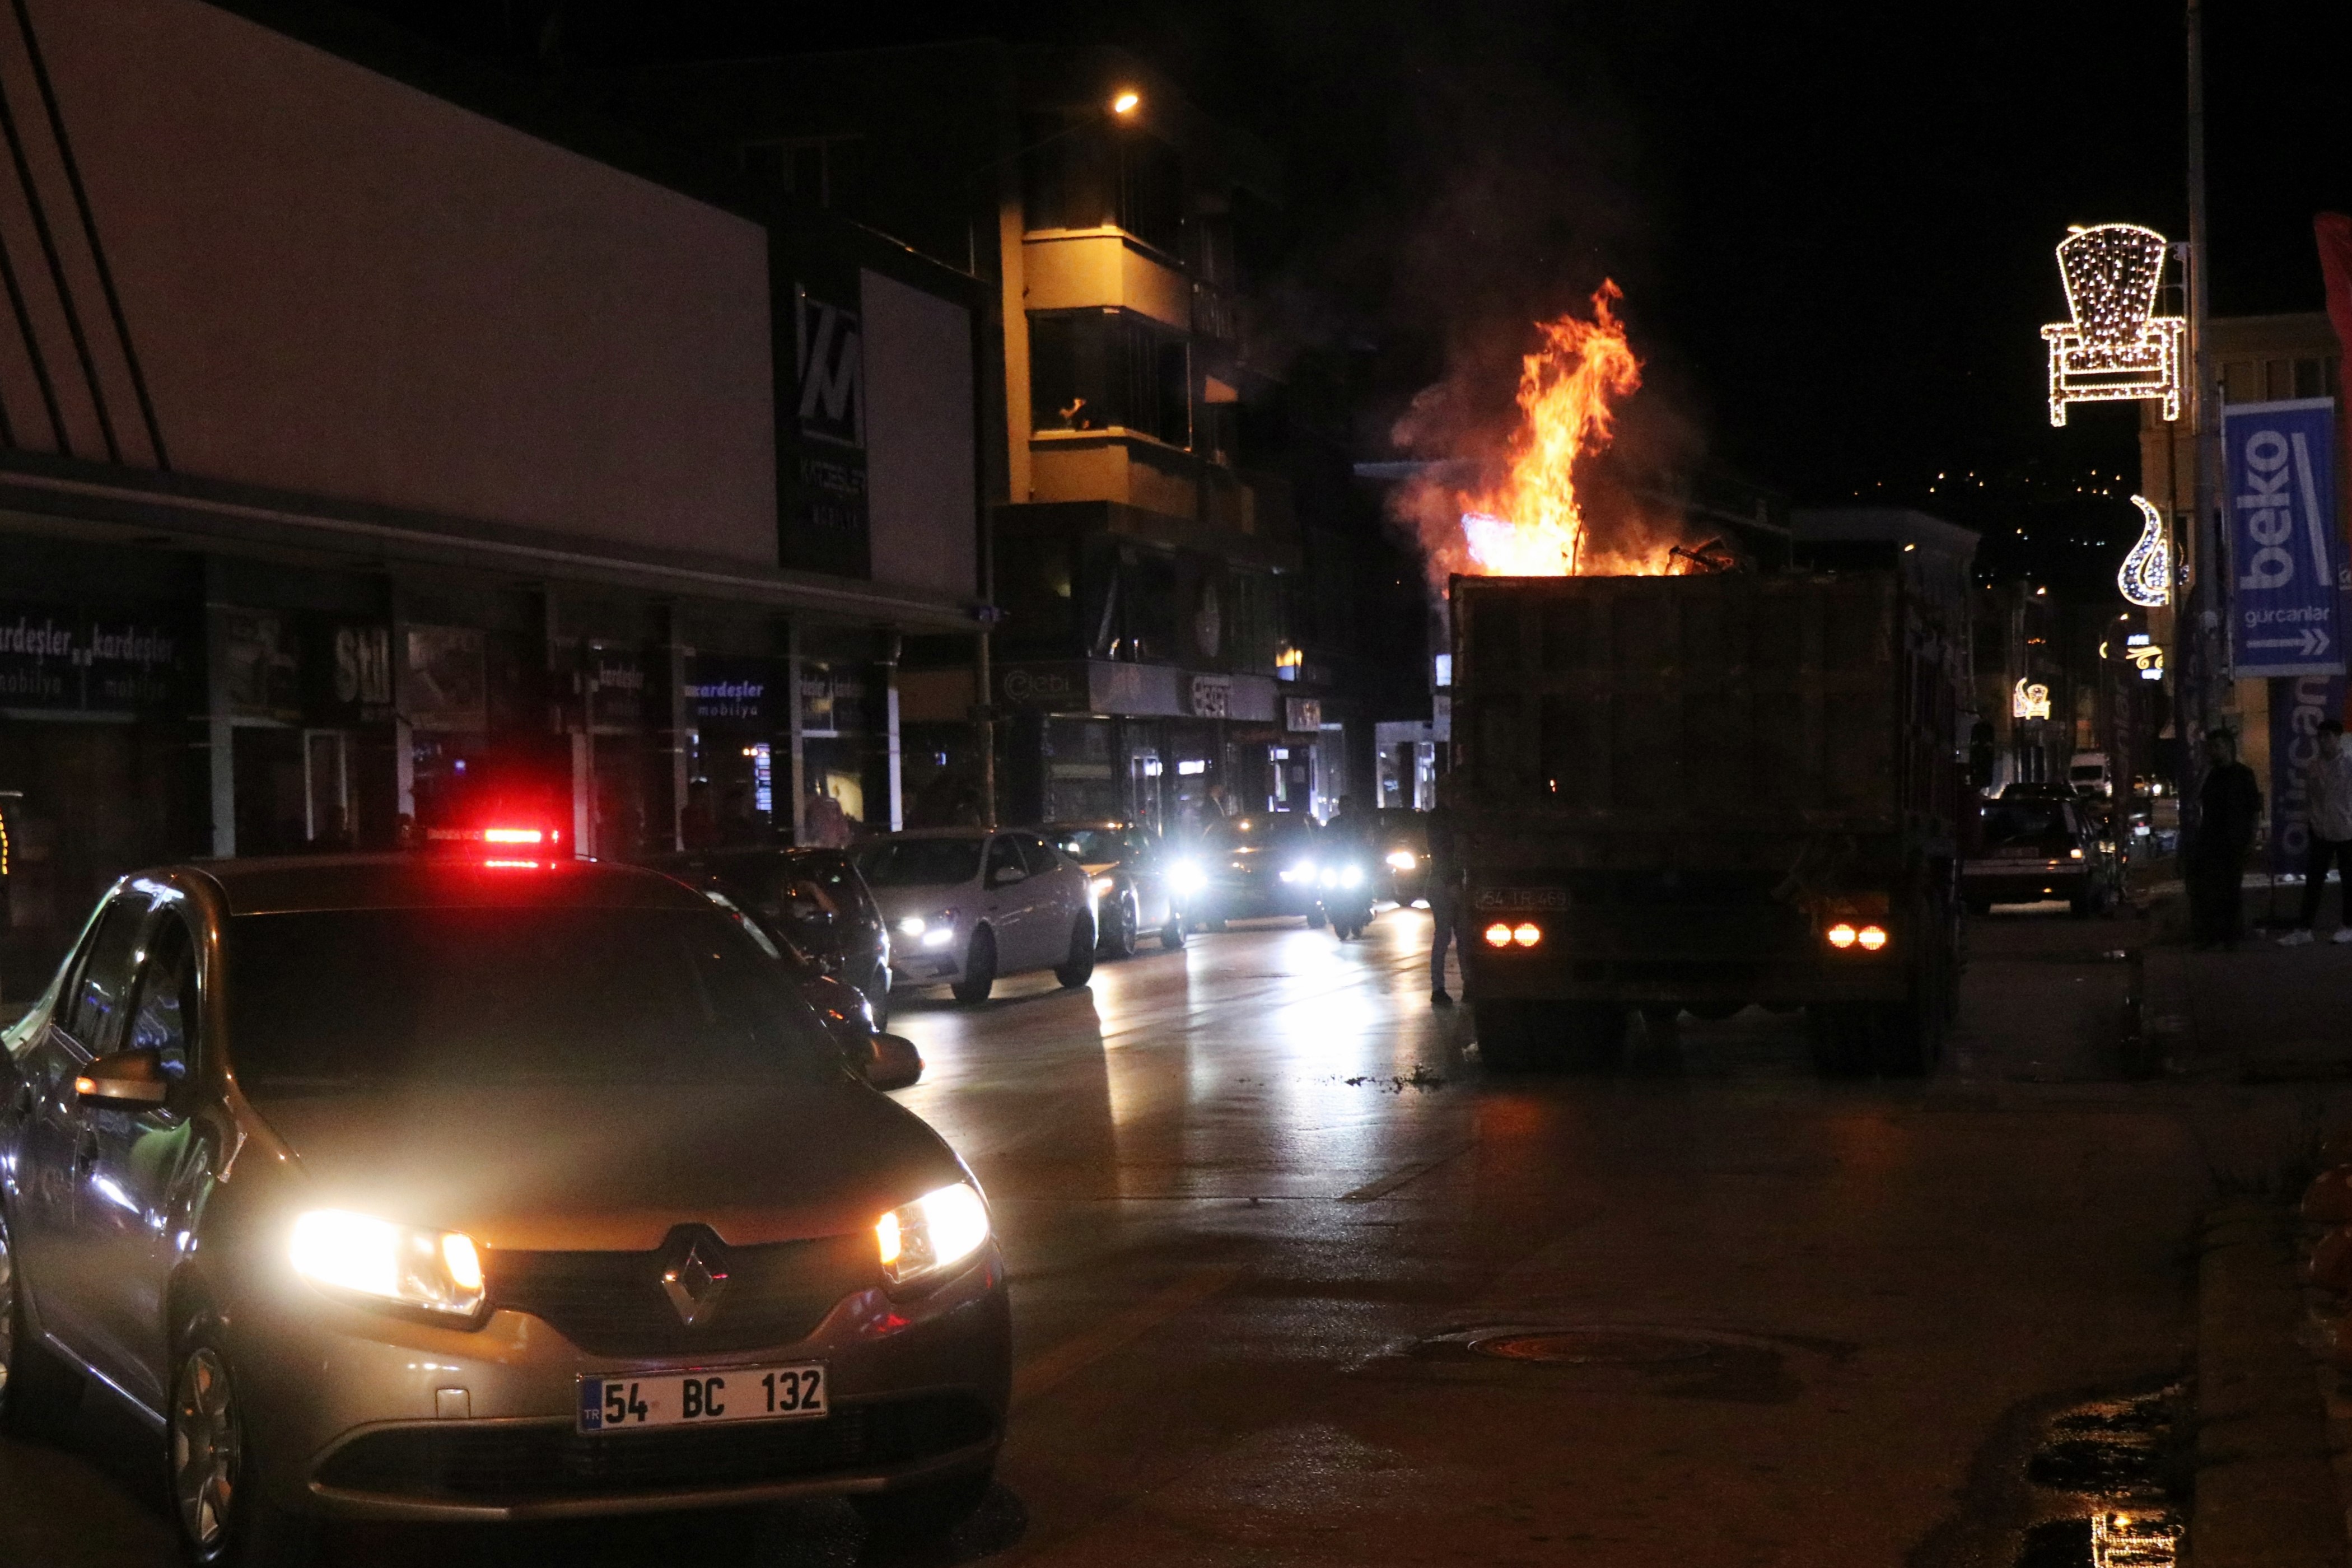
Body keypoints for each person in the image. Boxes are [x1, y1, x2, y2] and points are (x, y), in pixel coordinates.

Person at [2279, 718, 2352, 946]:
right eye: (2320, 737)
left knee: (2349, 879)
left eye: (2327, 736)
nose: (2323, 741)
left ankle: (2348, 925)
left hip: (2347, 828)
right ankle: (2305, 928)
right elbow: (2311, 798)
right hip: (2320, 829)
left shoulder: (2349, 764)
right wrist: (2312, 821)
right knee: (2313, 880)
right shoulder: (2313, 766)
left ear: (2338, 738)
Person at [2187, 730, 2262, 950]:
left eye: (2217, 747)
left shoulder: (2243, 774)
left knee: (2231, 889)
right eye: (2210, 748)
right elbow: (2194, 798)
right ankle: (2210, 936)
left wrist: (2252, 837)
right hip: (2210, 838)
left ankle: (2231, 937)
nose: (2213, 751)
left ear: (2228, 747)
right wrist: (2205, 771)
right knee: (2209, 889)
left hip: (2235, 838)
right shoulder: (2209, 774)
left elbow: (2254, 809)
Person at [1425, 771, 1467, 1006]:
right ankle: (1439, 988)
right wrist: (1453, 883)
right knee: (1445, 936)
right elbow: (1442, 853)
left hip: (1448, 881)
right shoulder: (1441, 818)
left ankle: (1464, 985)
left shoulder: (1449, 816)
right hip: (1444, 883)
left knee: (1459, 937)